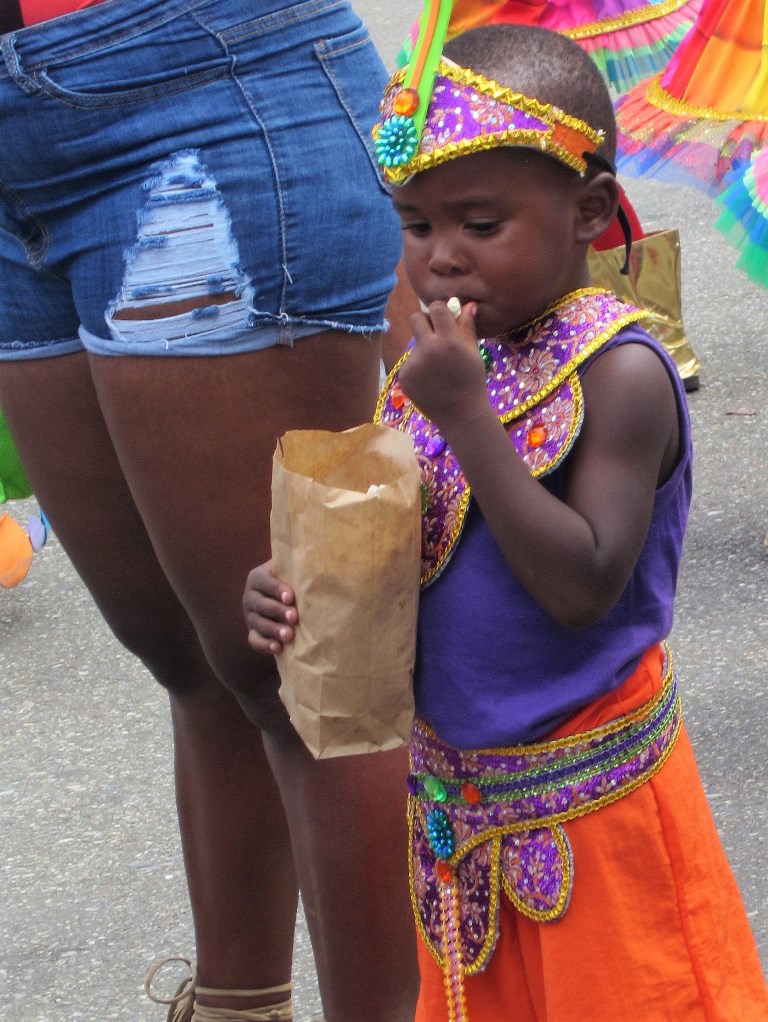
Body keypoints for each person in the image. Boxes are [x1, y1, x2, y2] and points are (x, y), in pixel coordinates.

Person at [245, 21, 768, 1020]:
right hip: (458, 814)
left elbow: (582, 586)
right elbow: (418, 553)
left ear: (586, 210)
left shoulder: (621, 374)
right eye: (415, 225)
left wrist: (466, 417)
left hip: (598, 817)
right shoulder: (446, 364)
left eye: (480, 224)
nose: (440, 258)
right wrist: (296, 590)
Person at [0, 1, 419, 1020]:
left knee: (306, 671)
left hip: (198, 89)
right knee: (190, 651)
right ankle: (236, 1004)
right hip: (20, 150)